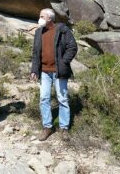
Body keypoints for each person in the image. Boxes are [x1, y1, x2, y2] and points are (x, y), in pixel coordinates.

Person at [30, 8, 77, 141]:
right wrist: (34, 70)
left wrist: (63, 62)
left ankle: (64, 128)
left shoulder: (62, 30)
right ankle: (47, 127)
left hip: (59, 72)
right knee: (44, 99)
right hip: (44, 72)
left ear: (50, 18)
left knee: (62, 99)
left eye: (42, 16)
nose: (39, 19)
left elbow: (72, 47)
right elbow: (35, 53)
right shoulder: (39, 32)